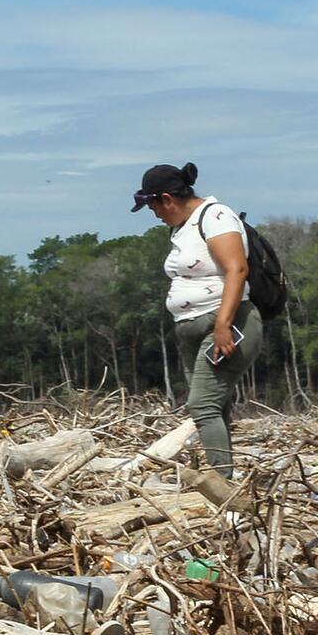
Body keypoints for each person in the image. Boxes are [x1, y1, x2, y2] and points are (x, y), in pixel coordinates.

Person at [132, 161, 263, 478]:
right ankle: (224, 477)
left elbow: (237, 269)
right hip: (192, 329)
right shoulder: (181, 227)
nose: (155, 215)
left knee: (201, 405)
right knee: (215, 406)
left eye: (153, 207)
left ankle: (221, 484)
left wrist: (222, 326)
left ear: (167, 199)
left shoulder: (216, 217)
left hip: (227, 324)